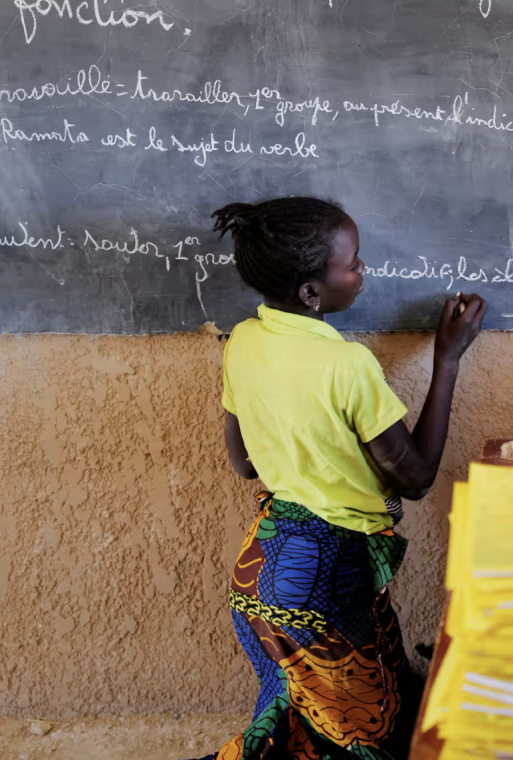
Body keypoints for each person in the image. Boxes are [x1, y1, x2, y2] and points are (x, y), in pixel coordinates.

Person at [192, 196, 487, 760]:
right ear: (311, 292)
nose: (362, 270)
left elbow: (245, 462)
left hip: (262, 573)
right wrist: (447, 359)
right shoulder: (346, 366)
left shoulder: (244, 340)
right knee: (363, 740)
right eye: (352, 264)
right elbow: (416, 478)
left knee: (306, 727)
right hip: (324, 584)